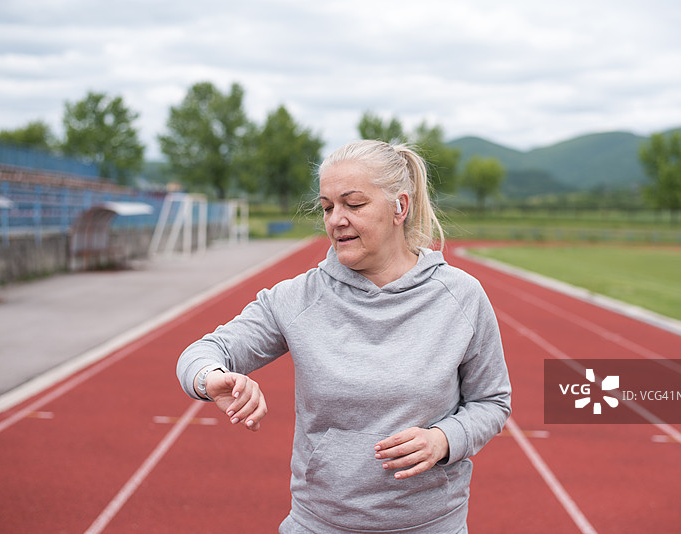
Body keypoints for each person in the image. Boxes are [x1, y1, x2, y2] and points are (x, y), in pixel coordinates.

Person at [177, 139, 511, 533]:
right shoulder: (296, 297)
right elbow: (202, 352)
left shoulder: (461, 296)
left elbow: (492, 400)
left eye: (354, 204)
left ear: (399, 208)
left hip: (431, 526)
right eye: (327, 207)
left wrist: (445, 439)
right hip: (319, 524)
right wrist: (212, 378)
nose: (336, 219)